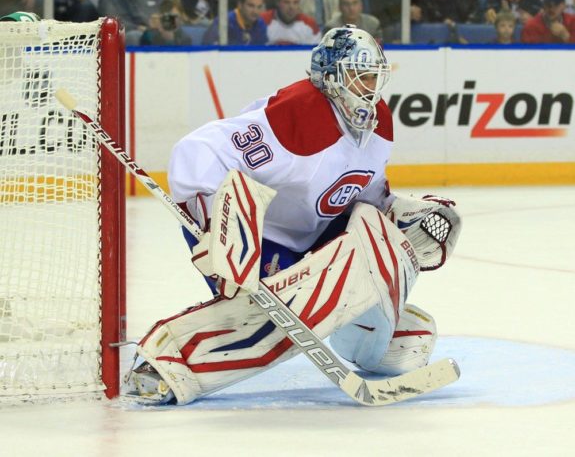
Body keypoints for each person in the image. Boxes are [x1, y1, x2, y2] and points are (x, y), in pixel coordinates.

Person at [122, 25, 461, 405]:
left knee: (407, 333)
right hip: (251, 242)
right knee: (273, 318)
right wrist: (216, 224)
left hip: (309, 236)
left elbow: (362, 194)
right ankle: (164, 362)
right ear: (332, 77)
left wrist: (397, 214)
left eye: (373, 78)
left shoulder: (377, 119)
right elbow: (196, 151)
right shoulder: (299, 114)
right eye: (360, 76)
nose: (369, 87)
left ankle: (364, 341)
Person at [202, 0, 268, 45]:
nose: (255, 12)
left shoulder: (260, 24)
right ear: (240, 5)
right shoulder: (223, 21)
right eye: (251, 6)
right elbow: (208, 48)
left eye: (259, 7)